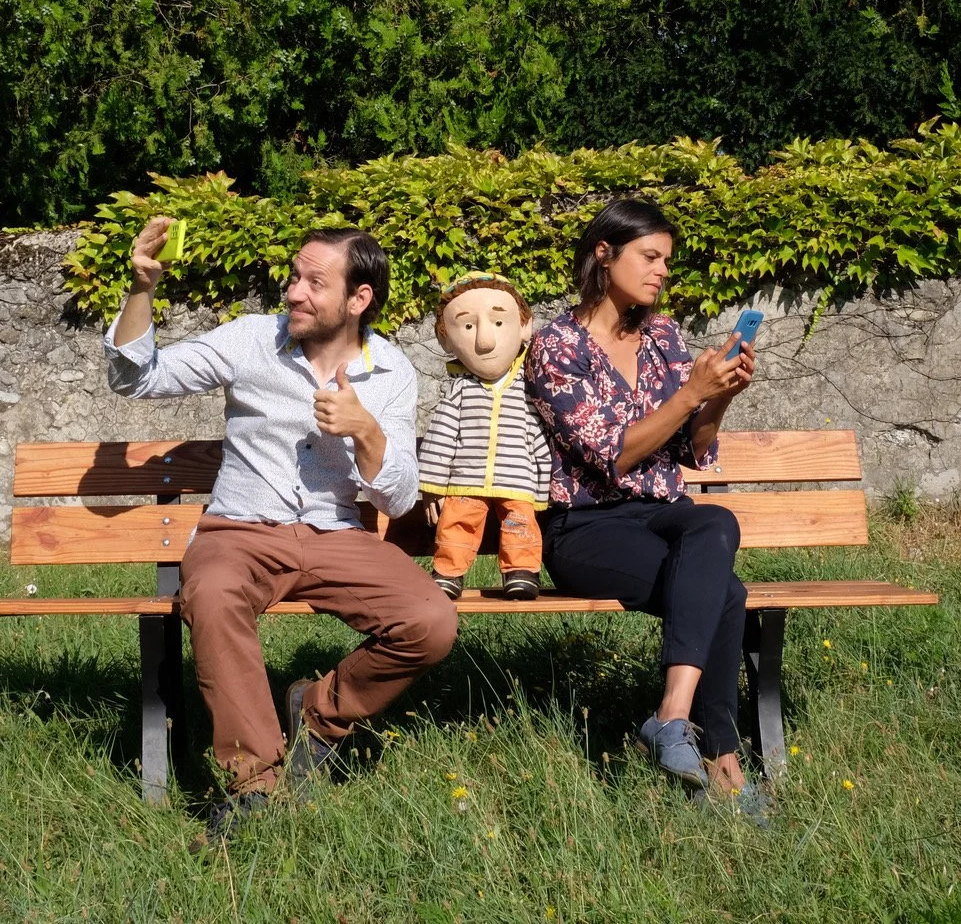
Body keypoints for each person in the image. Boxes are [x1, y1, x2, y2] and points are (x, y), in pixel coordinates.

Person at [105, 219, 458, 844]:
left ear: (359, 298)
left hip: (336, 534)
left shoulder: (392, 371)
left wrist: (366, 431)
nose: (294, 292)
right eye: (295, 277)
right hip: (239, 530)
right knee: (214, 595)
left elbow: (399, 497)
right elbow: (136, 378)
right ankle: (253, 784)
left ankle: (320, 715)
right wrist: (142, 288)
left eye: (314, 283)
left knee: (430, 622)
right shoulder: (251, 339)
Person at [525, 198, 768, 818]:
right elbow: (613, 455)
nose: (662, 271)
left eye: (666, 261)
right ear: (604, 254)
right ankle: (725, 763)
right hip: (585, 528)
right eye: (650, 256)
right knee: (727, 594)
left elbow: (691, 449)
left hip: (662, 514)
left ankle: (672, 715)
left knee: (715, 518)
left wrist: (720, 397)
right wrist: (691, 393)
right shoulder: (556, 345)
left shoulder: (663, 337)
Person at [418, 272, 551, 600]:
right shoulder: (460, 391)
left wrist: (543, 488)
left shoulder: (529, 389)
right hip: (465, 479)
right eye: (467, 326)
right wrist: (432, 487)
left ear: (525, 327)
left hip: (517, 480)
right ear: (446, 339)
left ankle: (521, 571)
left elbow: (538, 437)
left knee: (520, 523)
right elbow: (441, 437)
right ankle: (448, 572)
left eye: (499, 322)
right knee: (456, 521)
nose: (485, 341)